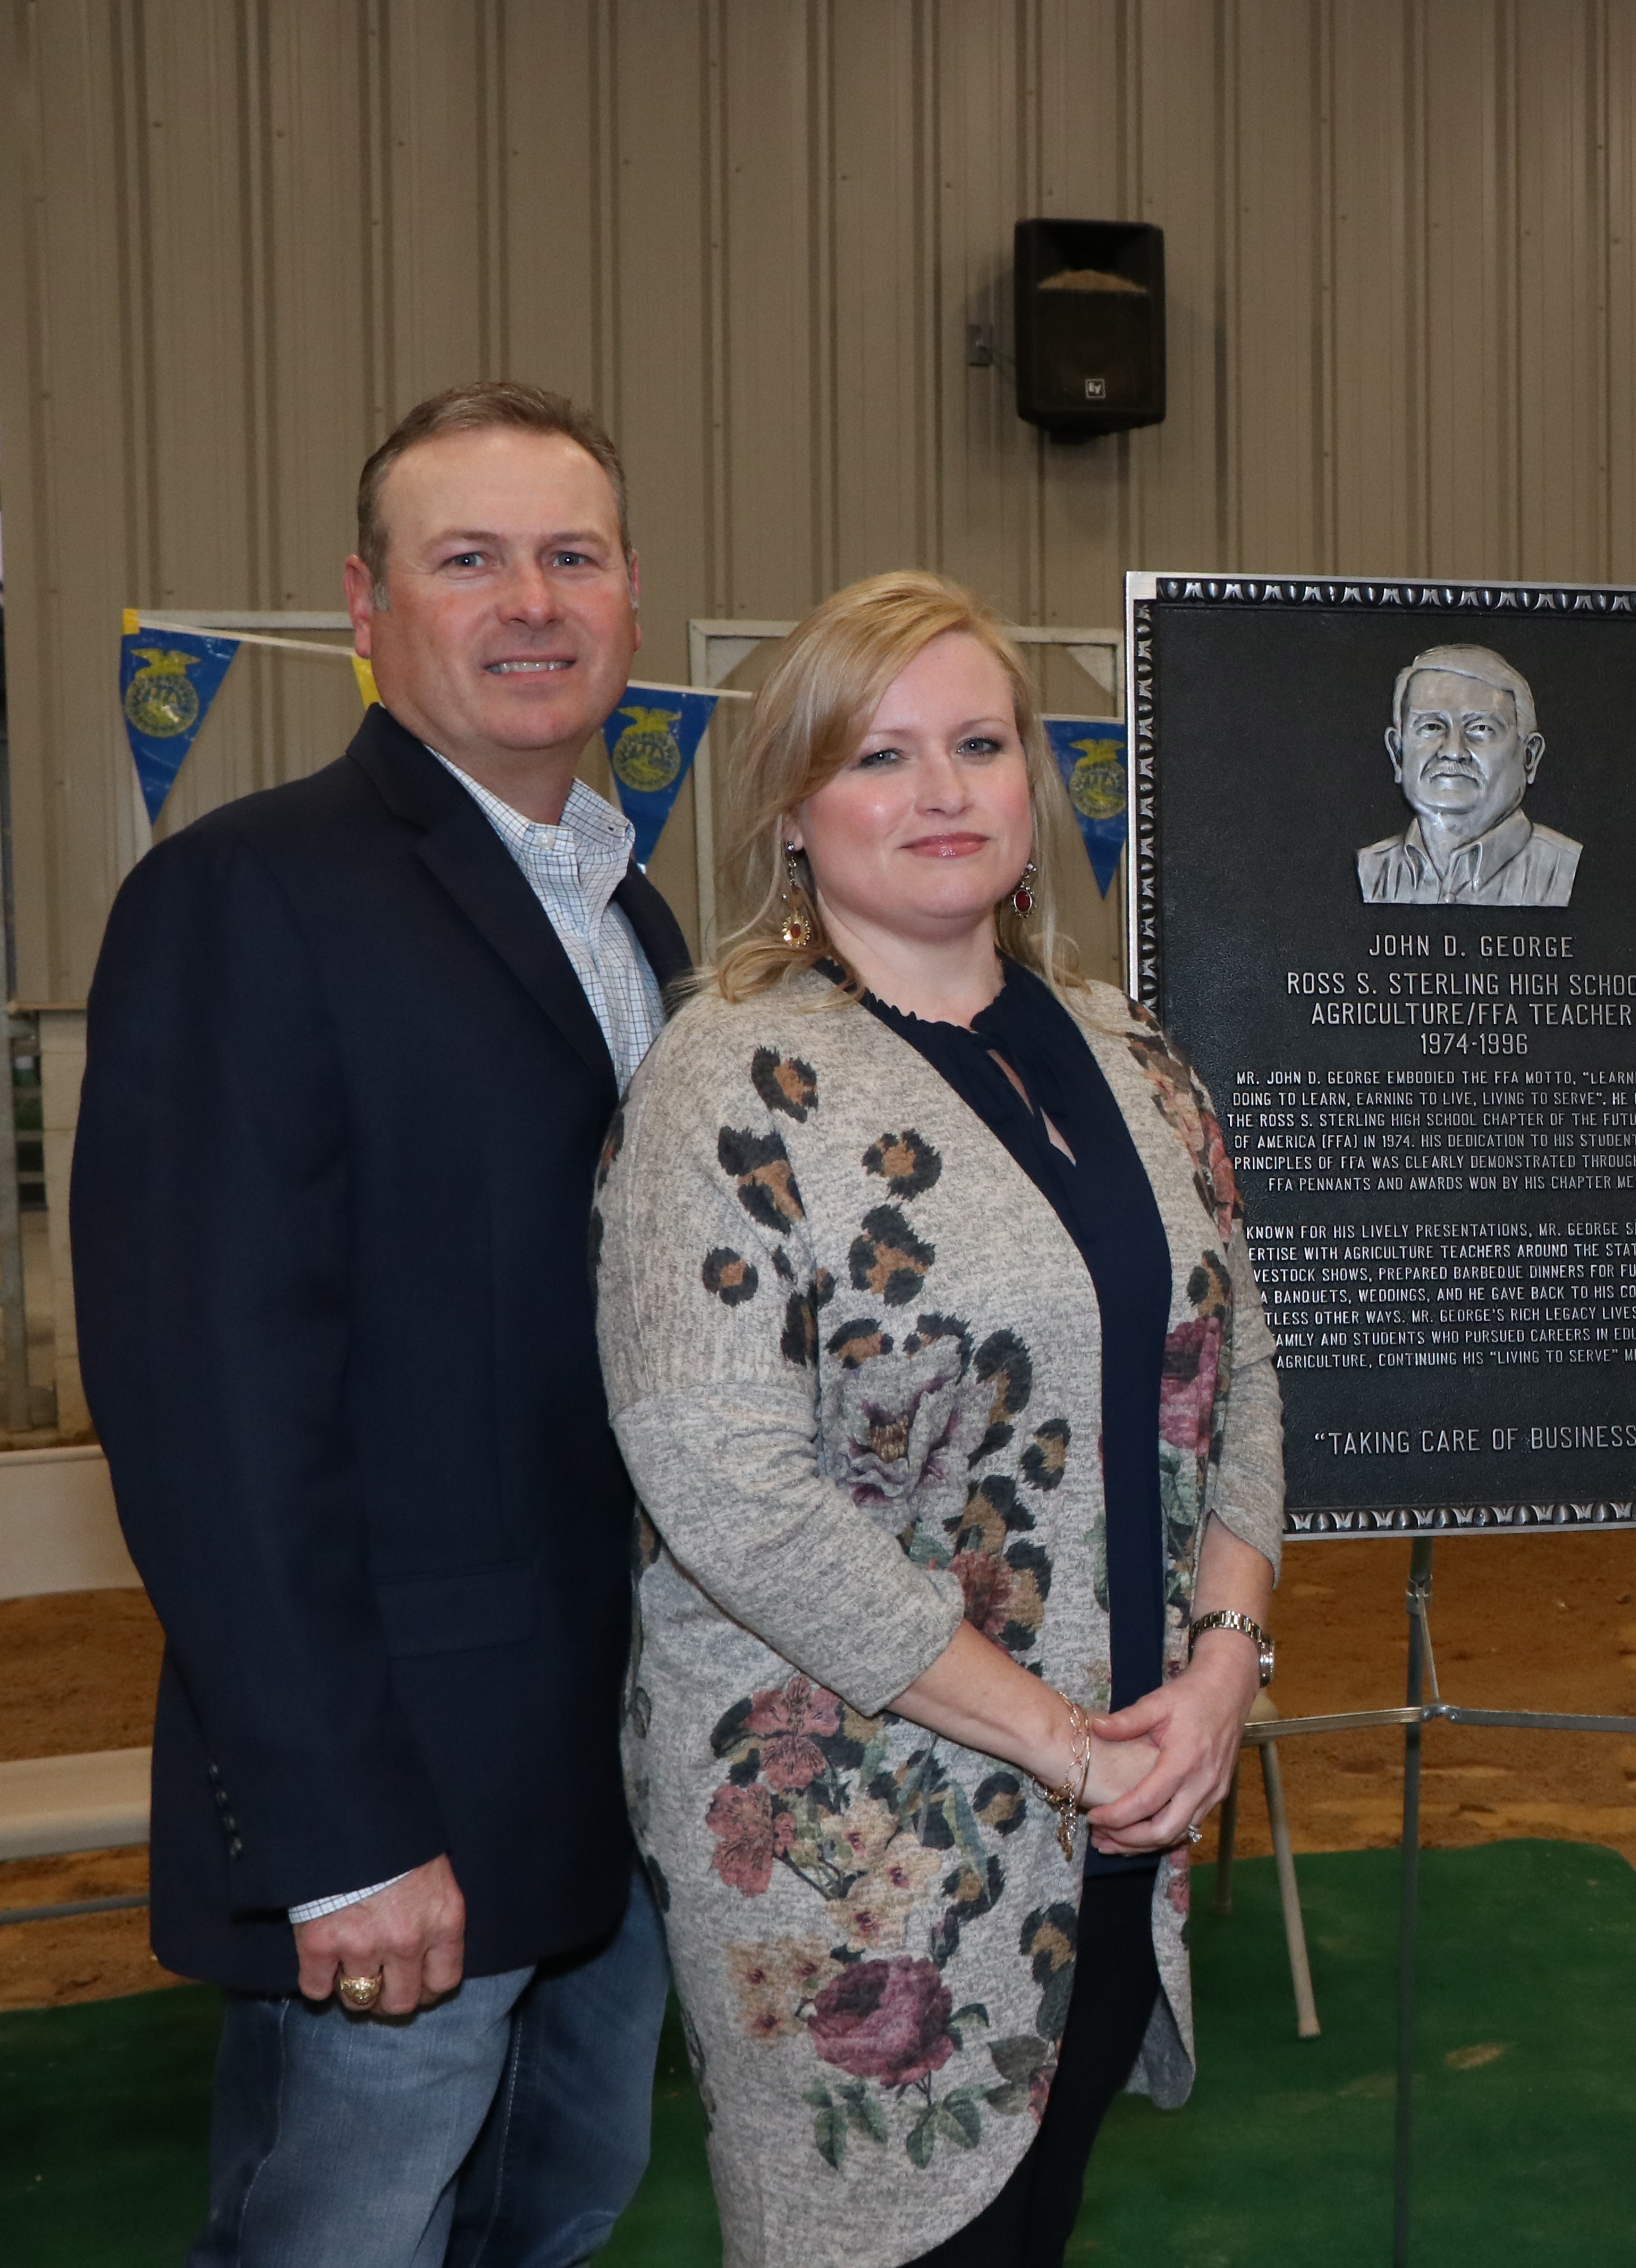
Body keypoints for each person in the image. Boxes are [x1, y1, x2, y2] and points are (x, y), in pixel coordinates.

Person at [593, 569, 1283, 2267]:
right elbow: (724, 1483)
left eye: (978, 744)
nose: (942, 791)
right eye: (880, 755)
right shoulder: (730, 1075)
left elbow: (1242, 1375)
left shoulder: (1132, 1056)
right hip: (859, 1856)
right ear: (792, 808)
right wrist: (1059, 1738)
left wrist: (1219, 1664)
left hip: (1123, 1802)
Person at [75, 381, 683, 2265]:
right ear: (365, 607)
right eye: (469, 559)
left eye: (570, 555)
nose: (531, 602)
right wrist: (337, 1823)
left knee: (563, 2213)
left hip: (626, 1772)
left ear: (630, 600)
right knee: (345, 2237)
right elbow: (209, 1411)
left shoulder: (639, 916)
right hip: (402, 1798)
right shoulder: (244, 895)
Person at [1355, 641, 1582, 904]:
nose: (1453, 751)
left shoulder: (1567, 870)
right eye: (1431, 726)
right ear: (1398, 754)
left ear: (1529, 756)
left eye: (1481, 729)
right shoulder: (1369, 872)